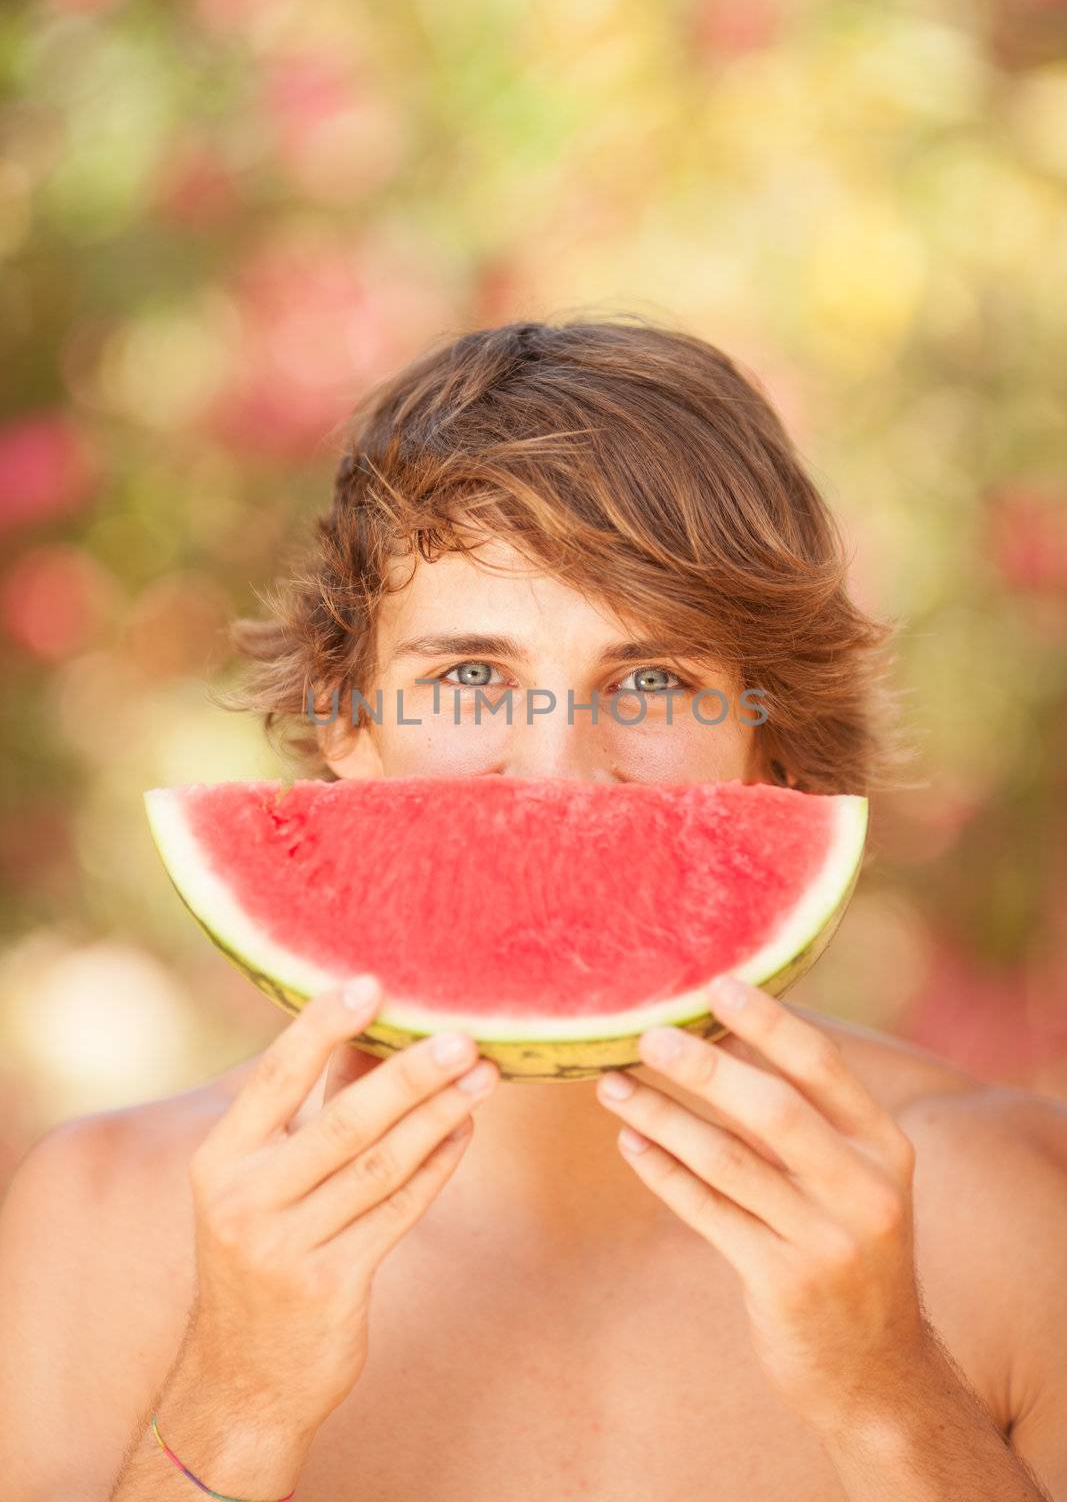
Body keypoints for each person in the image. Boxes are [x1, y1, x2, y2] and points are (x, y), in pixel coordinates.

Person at [1, 316, 1065, 1502]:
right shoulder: (101, 1227)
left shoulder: (1014, 1217)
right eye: (467, 678)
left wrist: (892, 1395)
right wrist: (237, 1398)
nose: (557, 773)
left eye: (653, 680)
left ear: (776, 749)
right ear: (347, 722)